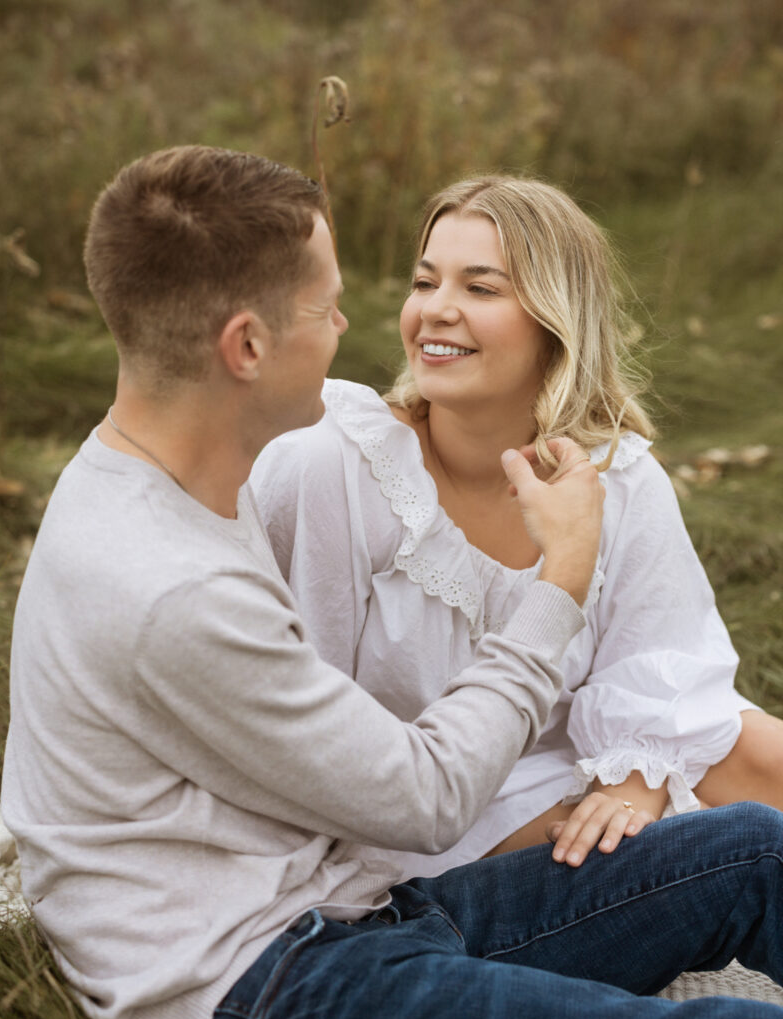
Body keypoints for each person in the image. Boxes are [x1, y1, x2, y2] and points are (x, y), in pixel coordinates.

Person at [0, 146, 783, 1019]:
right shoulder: (173, 584)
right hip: (266, 1003)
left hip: (353, 915)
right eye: (327, 309)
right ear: (246, 345)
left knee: (749, 851)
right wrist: (560, 577)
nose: (359, 332)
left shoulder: (177, 487)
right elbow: (420, 799)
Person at [250, 174, 783, 876]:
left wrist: (634, 780)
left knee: (747, 746)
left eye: (480, 288)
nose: (436, 311)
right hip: (412, 803)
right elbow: (296, 718)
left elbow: (662, 660)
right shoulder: (337, 464)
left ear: (555, 320)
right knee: (631, 852)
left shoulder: (616, 479)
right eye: (424, 282)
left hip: (559, 759)